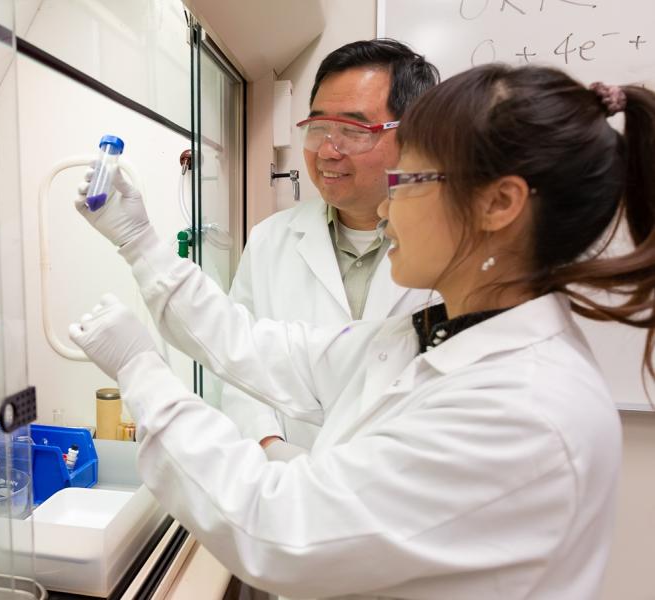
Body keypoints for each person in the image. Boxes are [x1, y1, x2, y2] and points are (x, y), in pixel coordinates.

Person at [68, 64, 655, 598]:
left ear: (498, 204)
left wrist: (142, 373)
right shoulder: (433, 335)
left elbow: (280, 528)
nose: (384, 209)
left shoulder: (522, 410)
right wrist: (139, 244)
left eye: (407, 183)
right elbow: (266, 349)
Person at [222, 39, 440, 459]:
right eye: (318, 128)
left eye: (354, 131)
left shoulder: (446, 252)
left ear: (413, 135)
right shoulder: (270, 240)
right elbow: (239, 365)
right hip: (284, 492)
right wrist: (269, 447)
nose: (326, 151)